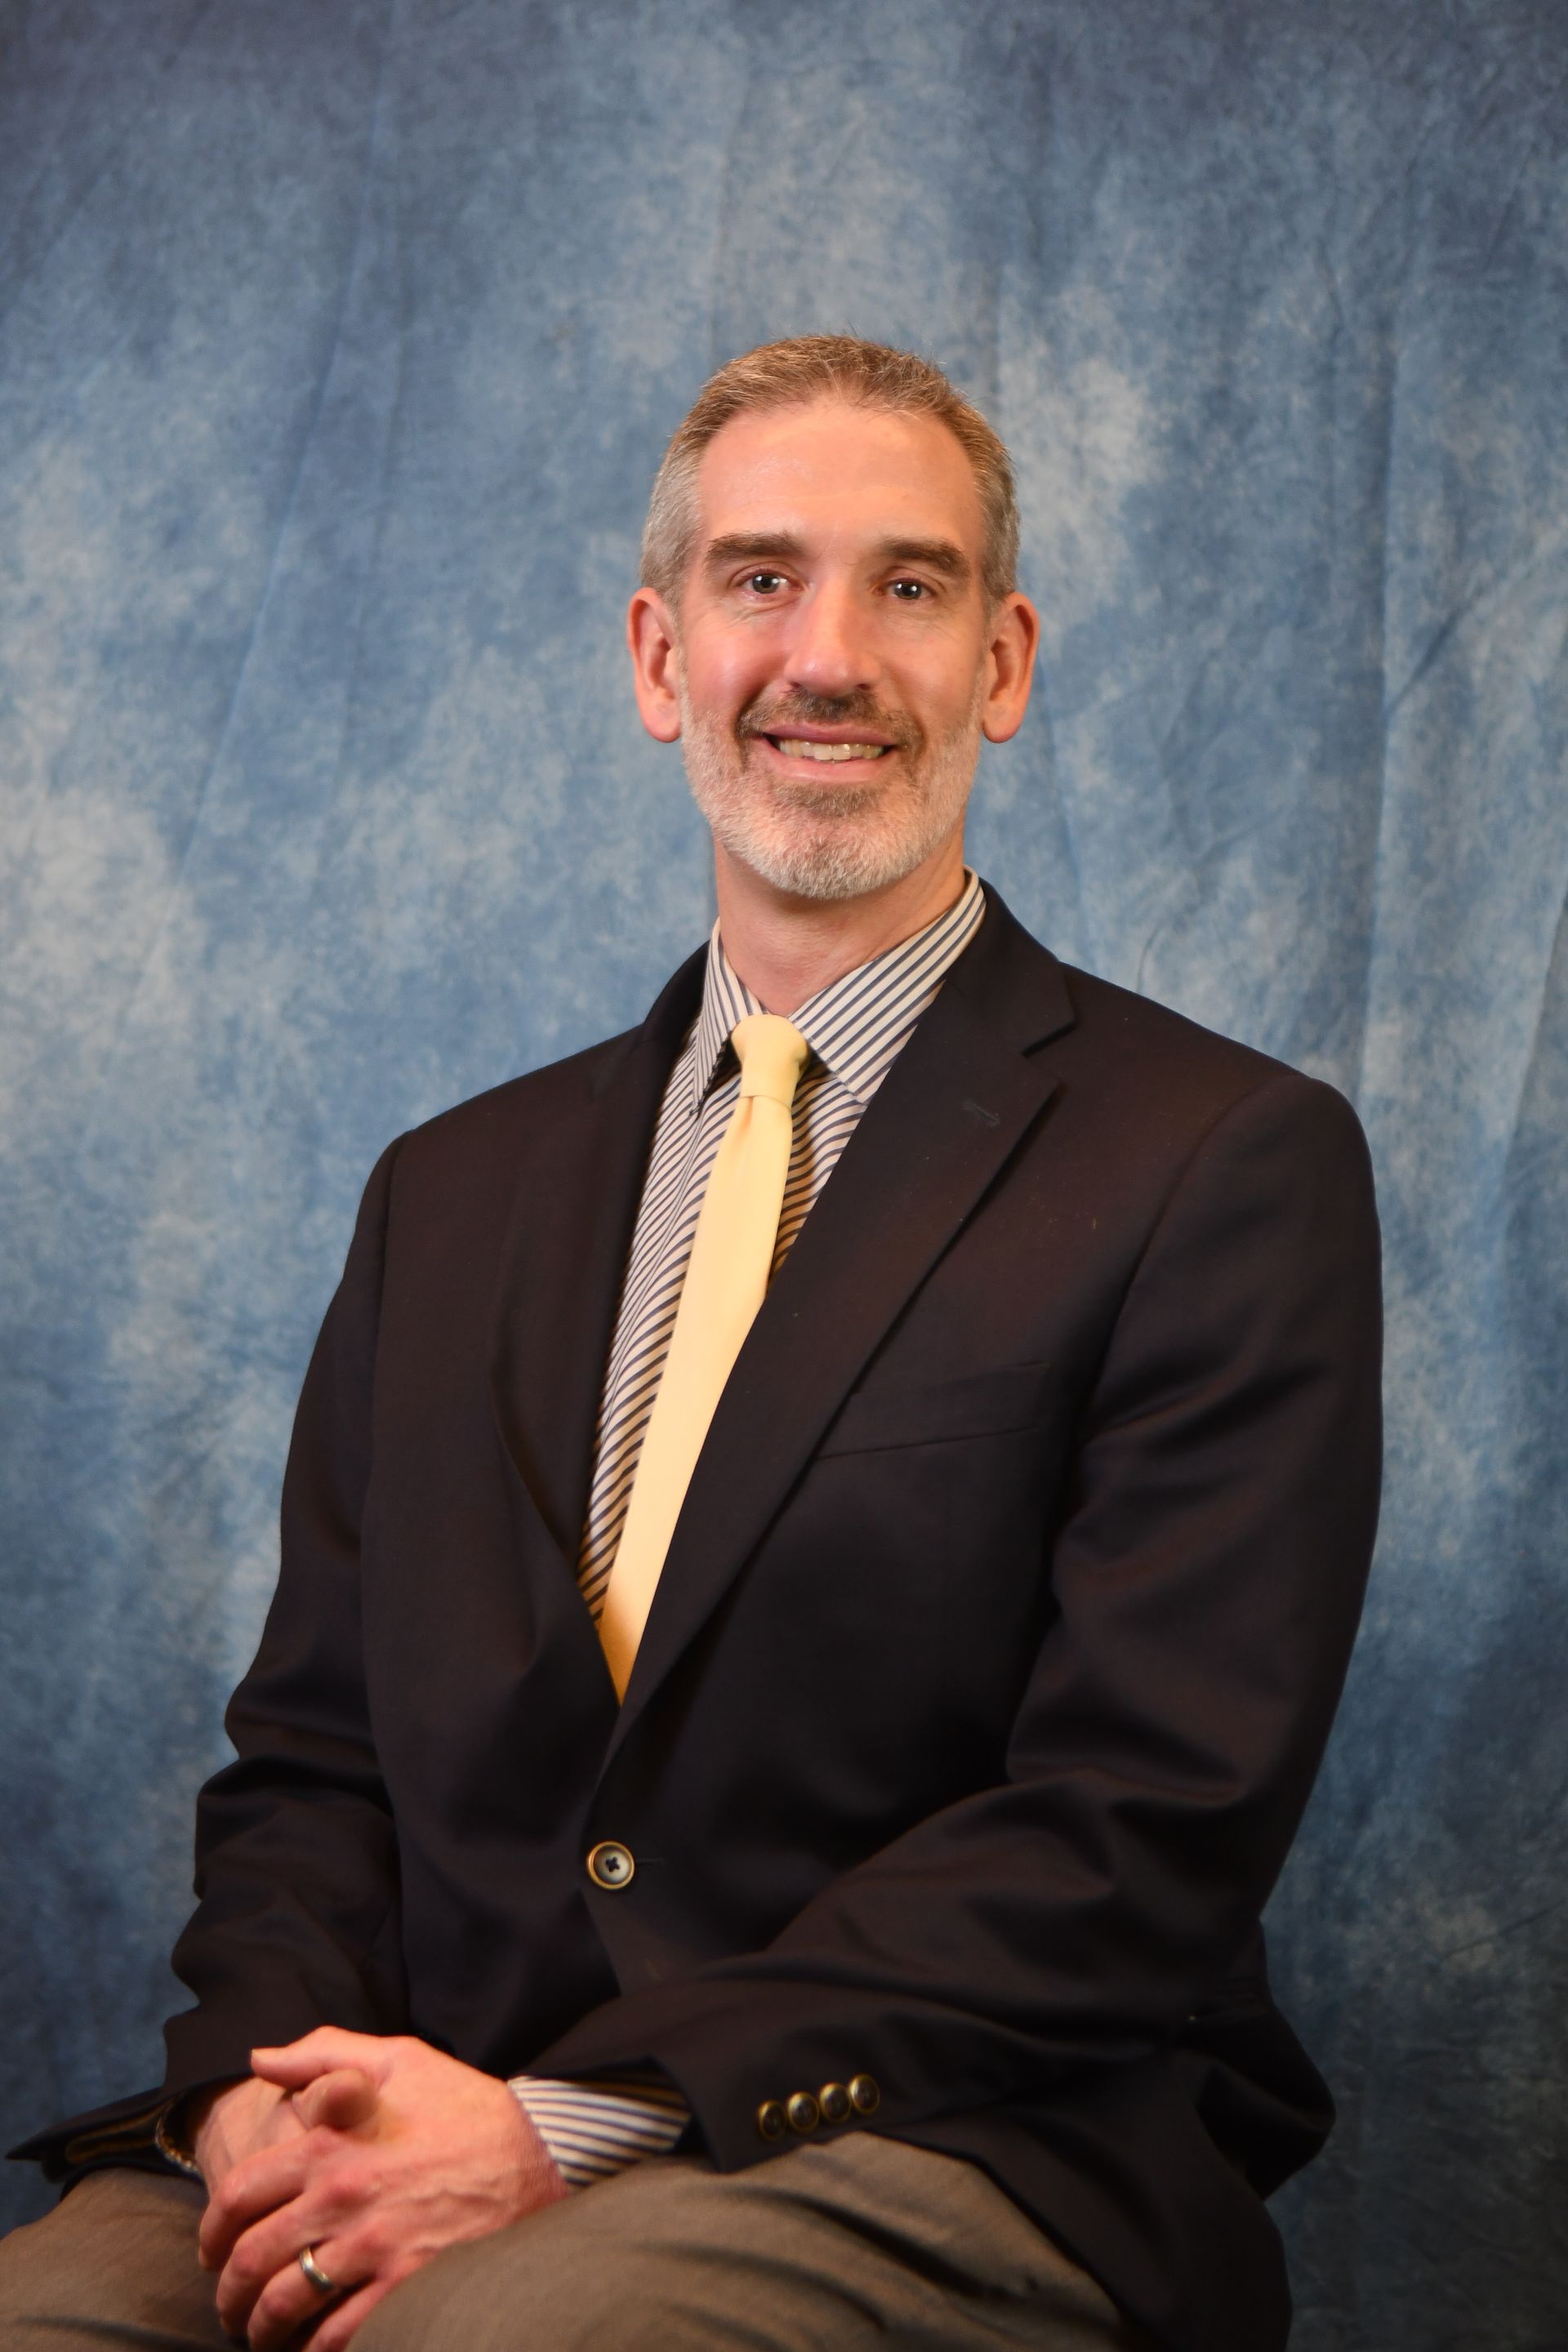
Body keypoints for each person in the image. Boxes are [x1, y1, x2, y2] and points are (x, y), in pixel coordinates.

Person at [2, 336, 1382, 2352]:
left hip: (949, 2133)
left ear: (1001, 664)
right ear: (661, 660)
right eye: (759, 580)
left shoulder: (1222, 1160)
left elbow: (1142, 1824)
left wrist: (565, 2129)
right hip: (421, 2087)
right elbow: (312, 1764)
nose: (826, 654)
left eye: (908, 586)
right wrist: (260, 2105)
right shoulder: (448, 1190)